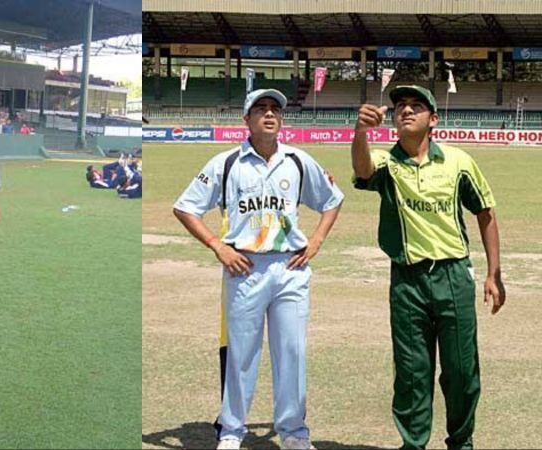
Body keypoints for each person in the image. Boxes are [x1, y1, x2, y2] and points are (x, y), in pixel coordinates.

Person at [173, 89, 344, 450]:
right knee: (242, 355)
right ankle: (232, 432)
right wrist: (217, 246)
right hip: (244, 269)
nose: (269, 115)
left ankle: (294, 433)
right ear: (246, 120)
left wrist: (315, 242)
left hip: (290, 270)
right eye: (261, 109)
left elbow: (332, 200)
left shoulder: (298, 160)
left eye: (275, 110)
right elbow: (185, 207)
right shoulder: (226, 163)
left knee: (292, 353)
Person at [351, 85, 506, 450]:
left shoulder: (458, 162)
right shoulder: (387, 164)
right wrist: (360, 132)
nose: (405, 110)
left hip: (453, 276)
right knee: (411, 373)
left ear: (433, 119)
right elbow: (361, 168)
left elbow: (485, 212)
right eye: (399, 106)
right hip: (407, 281)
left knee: (461, 371)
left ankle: (461, 442)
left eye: (416, 106)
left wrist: (493, 274)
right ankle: (413, 443)